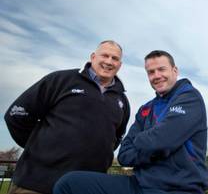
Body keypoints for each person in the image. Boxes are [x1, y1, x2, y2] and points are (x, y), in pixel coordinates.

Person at [53, 50, 208, 194]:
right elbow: (124, 155)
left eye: (161, 69)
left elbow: (160, 141)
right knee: (69, 183)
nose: (156, 76)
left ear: (174, 71)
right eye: (151, 72)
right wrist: (157, 148)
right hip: (139, 184)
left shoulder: (189, 97)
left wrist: (142, 141)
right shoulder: (146, 109)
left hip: (177, 189)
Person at [4, 40, 131, 194]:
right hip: (36, 184)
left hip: (85, 188)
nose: (109, 61)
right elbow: (16, 117)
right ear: (93, 57)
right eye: (105, 55)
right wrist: (42, 148)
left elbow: (116, 139)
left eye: (115, 58)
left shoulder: (122, 100)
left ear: (120, 65)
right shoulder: (60, 80)